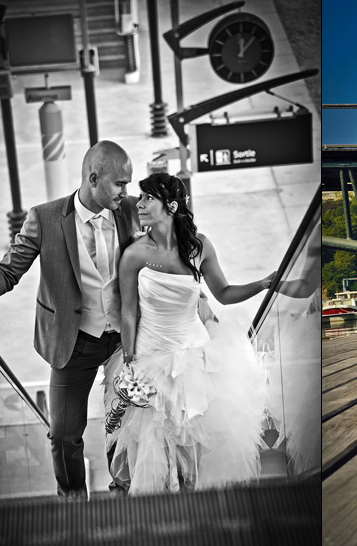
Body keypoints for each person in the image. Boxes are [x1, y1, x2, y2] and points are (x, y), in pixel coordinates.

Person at [0, 141, 138, 501]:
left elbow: (168, 249)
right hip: (73, 341)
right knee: (64, 434)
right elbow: (8, 271)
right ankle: (72, 502)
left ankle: (123, 494)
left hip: (123, 339)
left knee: (126, 423)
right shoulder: (46, 217)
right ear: (93, 178)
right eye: (119, 184)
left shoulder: (131, 211)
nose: (126, 192)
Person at [103, 172, 274, 495]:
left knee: (192, 456)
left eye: (147, 198)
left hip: (196, 361)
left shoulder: (199, 247)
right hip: (150, 357)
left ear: (170, 205)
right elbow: (129, 311)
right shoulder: (135, 254)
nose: (138, 204)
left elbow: (223, 292)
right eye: (139, 197)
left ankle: (193, 512)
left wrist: (263, 283)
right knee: (155, 455)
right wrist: (129, 360)